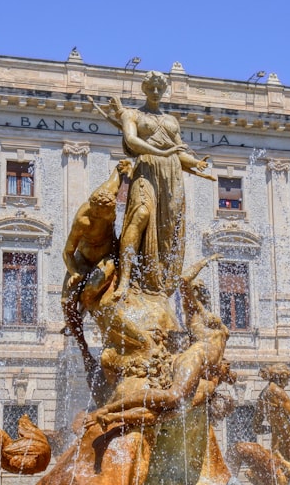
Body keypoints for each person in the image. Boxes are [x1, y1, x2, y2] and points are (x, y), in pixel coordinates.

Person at [87, 255, 232, 430]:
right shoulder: (198, 320)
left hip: (192, 364)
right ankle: (107, 409)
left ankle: (111, 415)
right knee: (174, 397)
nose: (229, 365)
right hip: (192, 359)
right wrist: (204, 262)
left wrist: (117, 417)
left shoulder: (206, 386)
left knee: (165, 410)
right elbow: (184, 280)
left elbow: (156, 416)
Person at [106, 71, 214, 299]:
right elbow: (131, 141)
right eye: (151, 88)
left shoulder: (171, 121)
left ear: (164, 91)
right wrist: (161, 152)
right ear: (144, 89)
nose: (155, 92)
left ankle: (159, 283)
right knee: (140, 215)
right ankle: (125, 281)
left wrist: (196, 164)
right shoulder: (131, 114)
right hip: (145, 170)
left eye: (159, 88)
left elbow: (179, 152)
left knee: (168, 231)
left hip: (171, 176)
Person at [60, 159, 133, 375]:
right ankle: (84, 351)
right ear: (95, 211)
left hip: (108, 255)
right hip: (83, 259)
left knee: (91, 290)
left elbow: (119, 169)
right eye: (108, 215)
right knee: (66, 303)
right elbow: (67, 252)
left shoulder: (107, 194)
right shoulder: (83, 221)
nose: (113, 217)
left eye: (113, 212)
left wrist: (129, 168)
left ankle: (91, 312)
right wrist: (74, 273)